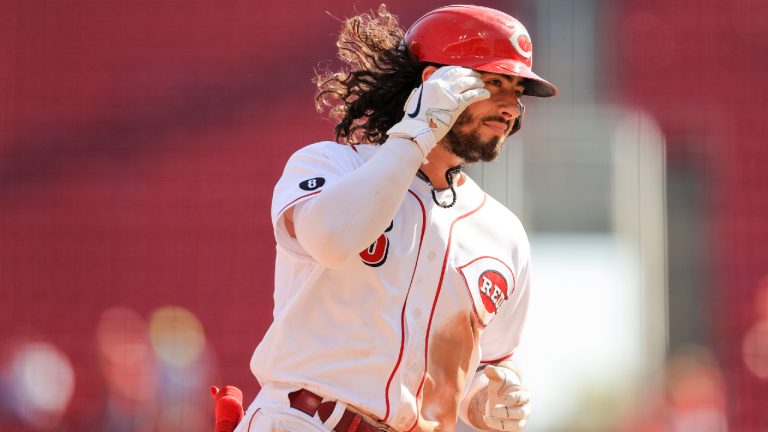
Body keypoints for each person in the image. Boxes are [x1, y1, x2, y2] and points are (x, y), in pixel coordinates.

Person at [234, 4, 557, 432]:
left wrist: (490, 398)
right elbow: (329, 239)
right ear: (432, 82)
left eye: (515, 91)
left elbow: (492, 363)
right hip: (305, 420)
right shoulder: (331, 165)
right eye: (493, 83)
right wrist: (418, 127)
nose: (509, 107)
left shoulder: (503, 233)